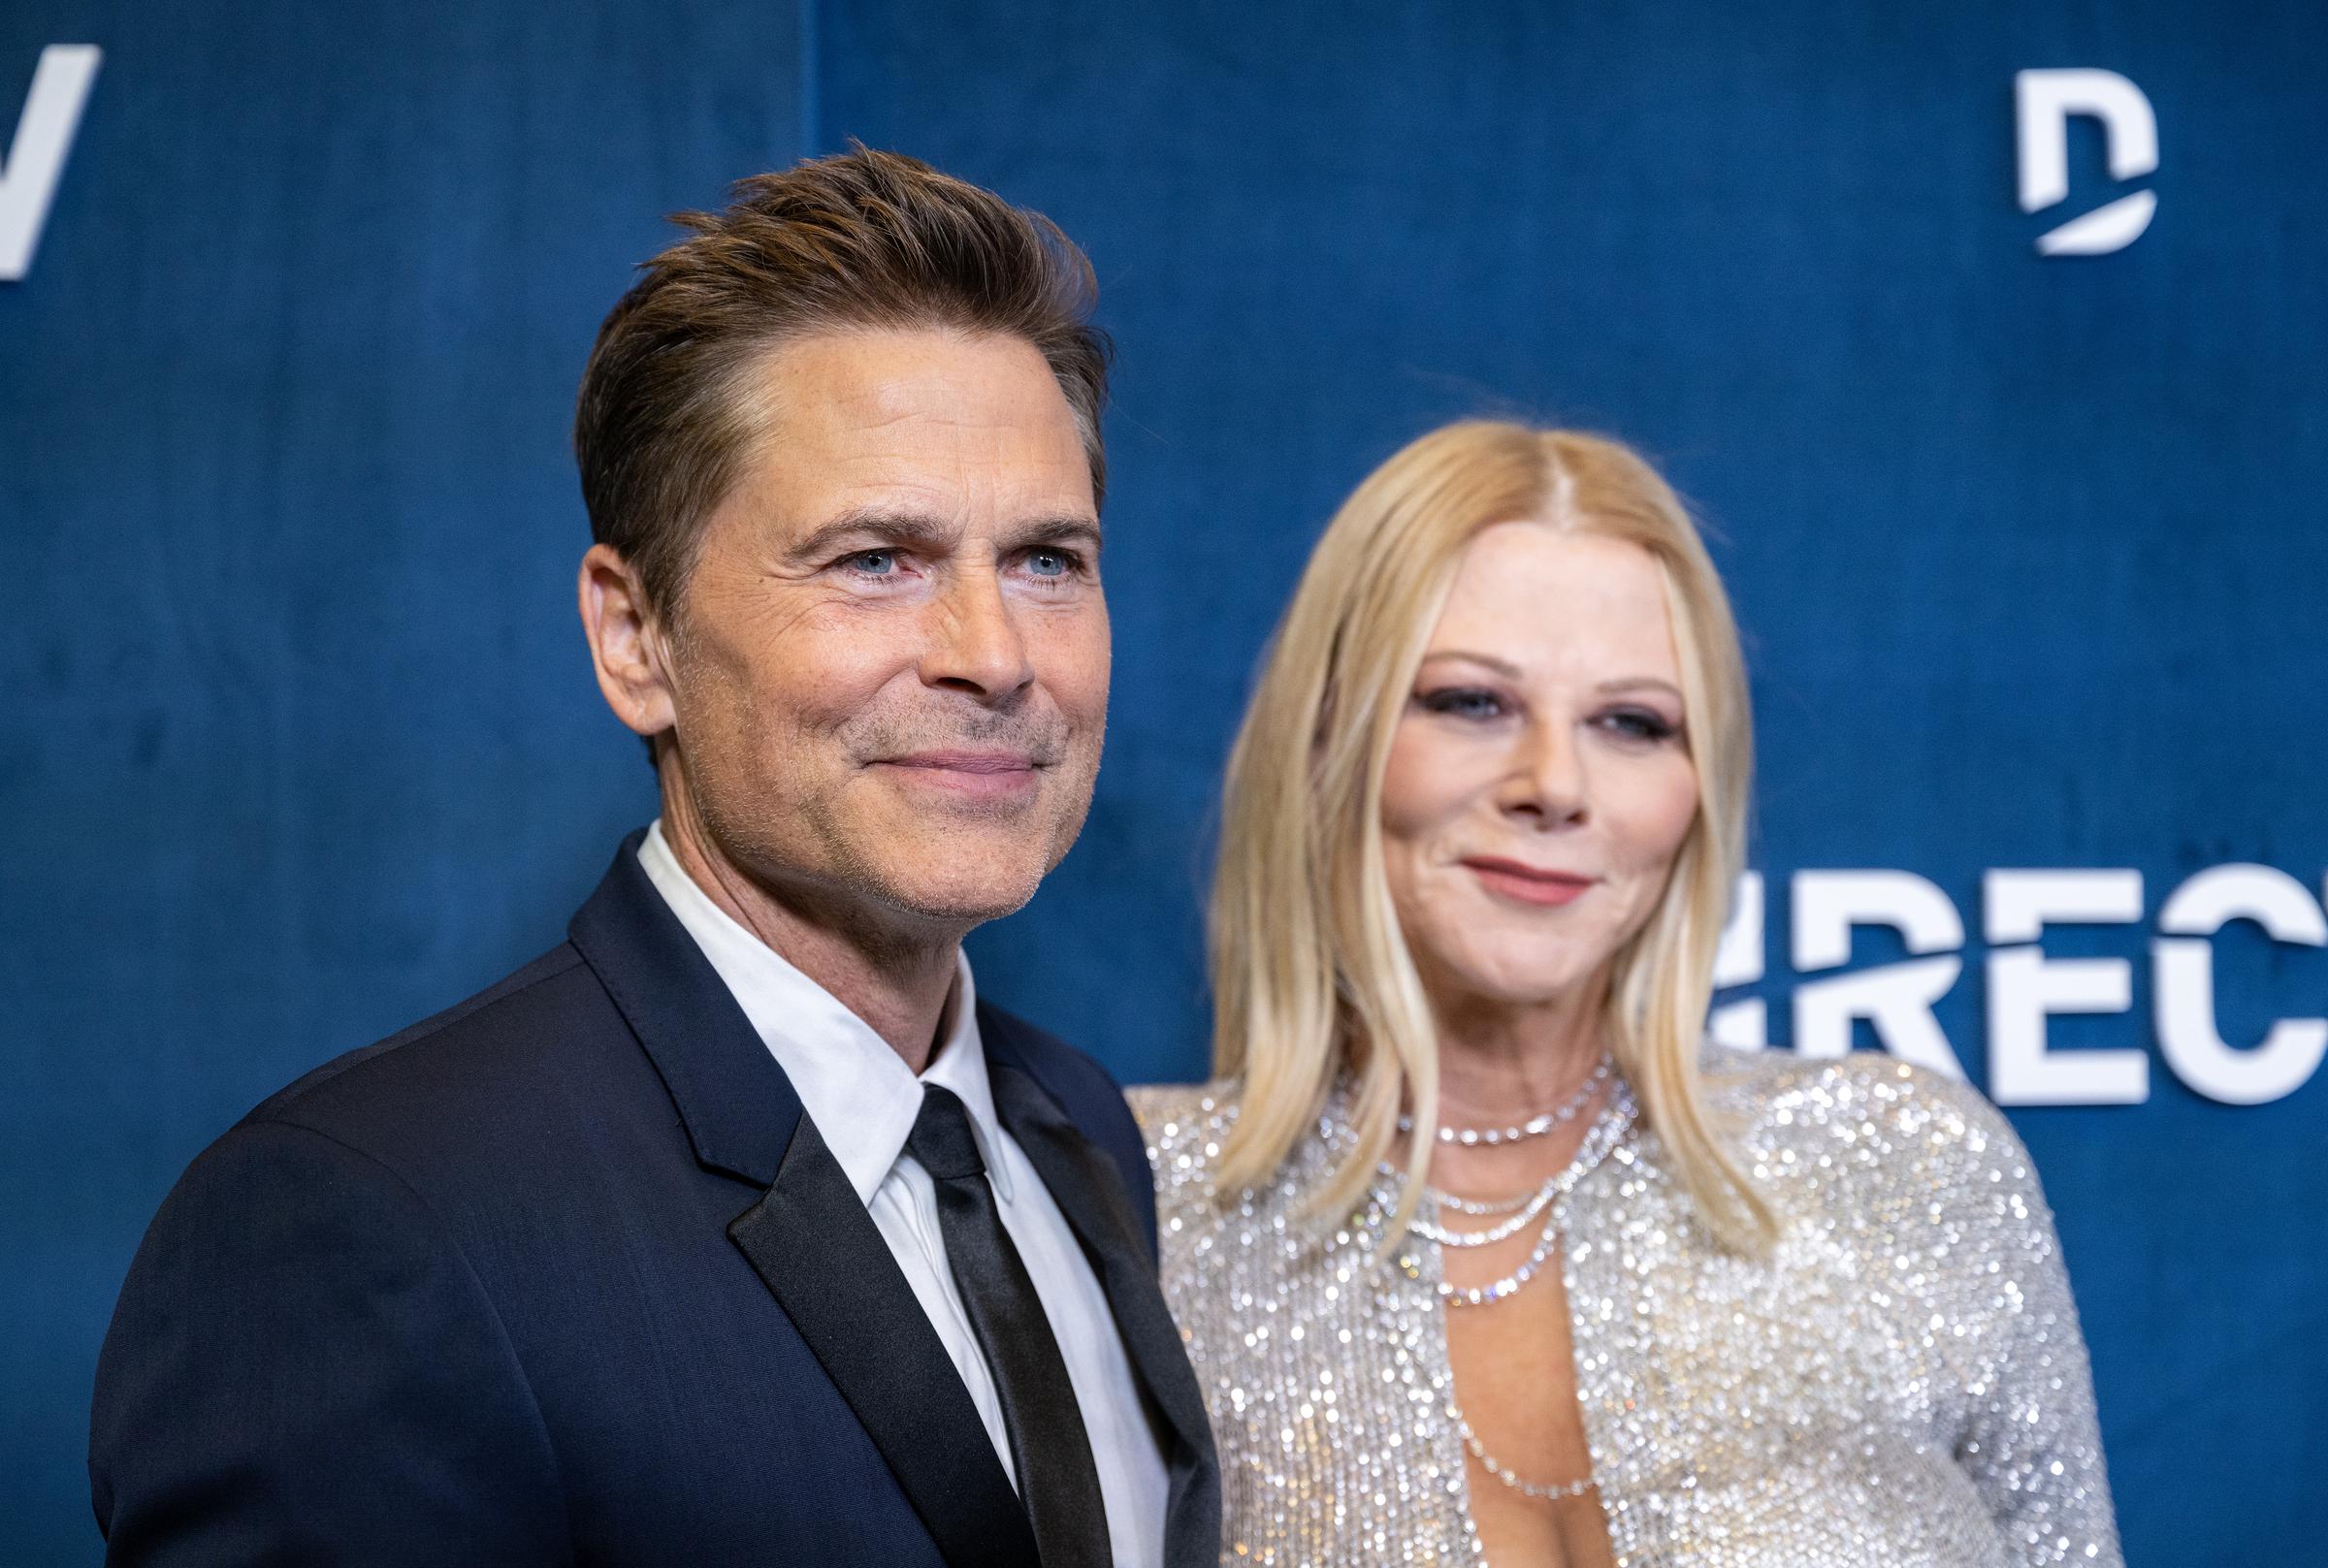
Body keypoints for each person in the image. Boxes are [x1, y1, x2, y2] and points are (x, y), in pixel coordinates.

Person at [90, 149, 1219, 1568]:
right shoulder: (370, 1228)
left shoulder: (1079, 1132)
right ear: (637, 638)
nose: (994, 656)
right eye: (878, 557)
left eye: (1049, 559)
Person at [1133, 421, 2120, 1566]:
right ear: (1327, 742)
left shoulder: (1906, 1168)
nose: (1554, 783)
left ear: (1700, 787)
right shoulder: (1129, 1225)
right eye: (1470, 702)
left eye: (1632, 723)